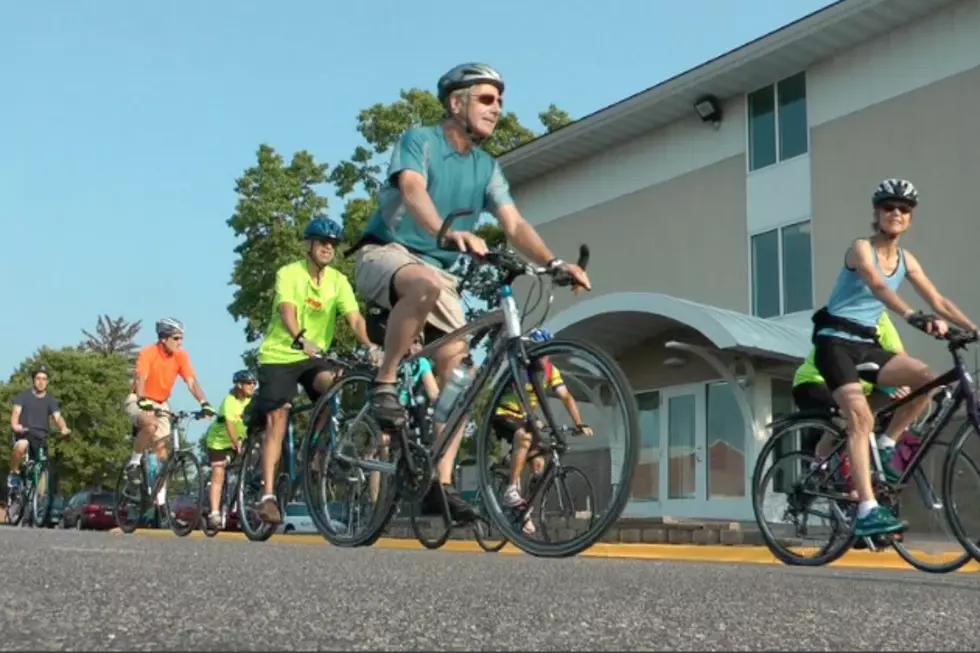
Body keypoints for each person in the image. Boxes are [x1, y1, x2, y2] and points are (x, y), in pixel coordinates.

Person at [350, 63, 591, 521]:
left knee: (461, 371)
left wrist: (554, 263)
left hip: (439, 274)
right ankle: (383, 383)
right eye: (486, 98)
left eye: (499, 100)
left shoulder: (486, 167)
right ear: (456, 102)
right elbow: (412, 188)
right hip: (386, 253)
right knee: (420, 284)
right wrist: (445, 231)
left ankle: (436, 484)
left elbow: (514, 224)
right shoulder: (420, 141)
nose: (496, 107)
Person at [810, 178, 978, 539]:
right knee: (860, 419)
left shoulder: (907, 259)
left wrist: (972, 328)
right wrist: (911, 315)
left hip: (866, 344)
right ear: (877, 213)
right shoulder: (860, 248)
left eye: (904, 209)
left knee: (925, 379)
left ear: (910, 219)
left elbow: (939, 301)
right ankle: (868, 511)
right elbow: (879, 286)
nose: (896, 213)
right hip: (835, 343)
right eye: (889, 207)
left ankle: (886, 447)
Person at [250, 217, 382, 525]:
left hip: (315, 358)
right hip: (281, 354)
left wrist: (372, 347)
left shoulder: (338, 281)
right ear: (309, 244)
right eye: (322, 242)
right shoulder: (290, 273)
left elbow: (355, 319)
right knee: (279, 414)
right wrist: (300, 339)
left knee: (334, 383)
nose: (328, 248)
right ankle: (267, 495)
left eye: (333, 244)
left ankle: (316, 449)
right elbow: (287, 310)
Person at [793, 311, 919, 482]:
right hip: (814, 383)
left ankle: (866, 470)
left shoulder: (879, 321)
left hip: (856, 389)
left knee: (886, 404)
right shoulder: (868, 316)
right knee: (848, 418)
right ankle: (817, 468)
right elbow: (901, 357)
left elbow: (900, 360)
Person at [490, 328, 593, 533]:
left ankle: (525, 509)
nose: (545, 357)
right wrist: (533, 419)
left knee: (539, 461)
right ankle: (511, 490)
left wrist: (579, 423)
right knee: (525, 436)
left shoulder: (550, 371)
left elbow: (566, 397)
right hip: (505, 413)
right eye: (541, 352)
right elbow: (520, 394)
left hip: (528, 417)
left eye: (547, 353)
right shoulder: (521, 367)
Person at [124, 318, 215, 497]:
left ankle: (160, 499)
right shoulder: (148, 352)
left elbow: (190, 381)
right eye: (176, 338)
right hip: (139, 398)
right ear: (164, 338)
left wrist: (204, 403)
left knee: (162, 452)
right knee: (150, 425)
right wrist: (143, 400)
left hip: (161, 402)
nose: (180, 343)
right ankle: (133, 464)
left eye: (181, 338)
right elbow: (141, 376)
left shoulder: (181, 356)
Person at [203, 369, 257, 530]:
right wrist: (235, 442)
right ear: (239, 385)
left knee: (256, 455)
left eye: (254, 383)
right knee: (218, 472)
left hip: (240, 441)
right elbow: (230, 424)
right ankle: (214, 513)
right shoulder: (230, 401)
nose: (253, 386)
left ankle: (249, 488)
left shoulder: (251, 401)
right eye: (249, 383)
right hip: (219, 442)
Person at [8, 365, 70, 490]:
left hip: (40, 438)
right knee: (22, 445)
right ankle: (14, 472)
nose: (41, 382)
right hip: (24, 433)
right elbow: (15, 414)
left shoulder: (50, 401)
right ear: (33, 380)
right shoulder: (23, 397)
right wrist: (15, 426)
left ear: (47, 382)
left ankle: (37, 503)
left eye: (44, 379)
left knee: (43, 470)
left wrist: (63, 427)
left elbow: (58, 417)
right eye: (38, 378)